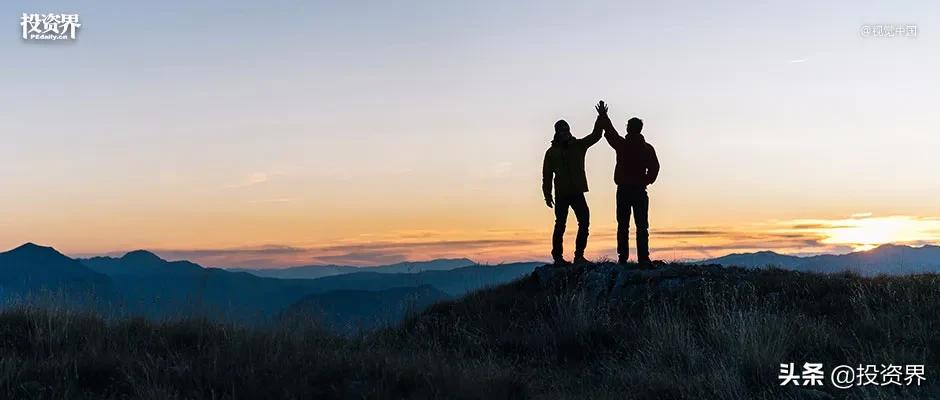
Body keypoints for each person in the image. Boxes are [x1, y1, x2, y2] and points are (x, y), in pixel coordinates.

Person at [542, 101, 607, 265]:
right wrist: (547, 195)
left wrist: (601, 117)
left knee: (584, 221)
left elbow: (596, 135)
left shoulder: (578, 146)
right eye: (562, 131)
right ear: (557, 133)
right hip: (562, 193)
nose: (565, 133)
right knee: (560, 225)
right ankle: (558, 258)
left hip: (577, 191)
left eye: (566, 130)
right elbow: (547, 175)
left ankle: (579, 256)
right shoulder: (552, 153)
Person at [603, 112, 660, 267]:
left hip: (624, 190)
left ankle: (623, 258)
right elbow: (655, 168)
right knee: (642, 226)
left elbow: (611, 134)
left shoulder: (623, 145)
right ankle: (643, 258)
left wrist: (604, 117)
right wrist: (646, 181)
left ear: (630, 129)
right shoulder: (647, 148)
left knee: (623, 225)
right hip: (639, 191)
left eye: (627, 126)